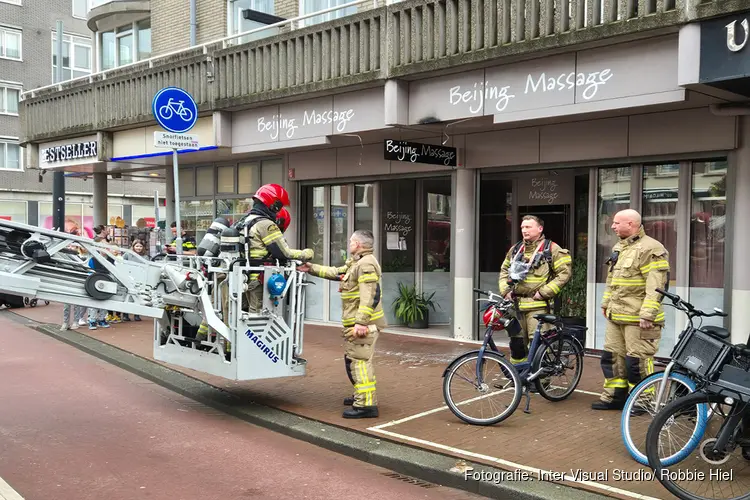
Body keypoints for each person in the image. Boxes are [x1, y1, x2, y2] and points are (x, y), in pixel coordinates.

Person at [297, 229, 384, 419]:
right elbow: (336, 273)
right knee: (354, 361)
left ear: (358, 245)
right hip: (355, 322)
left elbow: (370, 295)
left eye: (351, 241)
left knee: (360, 363)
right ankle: (361, 396)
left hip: (362, 325)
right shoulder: (357, 263)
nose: (349, 243)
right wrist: (310, 268)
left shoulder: (366, 264)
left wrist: (361, 323)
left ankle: (366, 405)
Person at [592, 208, 670, 411]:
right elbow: (612, 280)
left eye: (617, 223)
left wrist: (647, 315)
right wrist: (605, 303)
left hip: (639, 319)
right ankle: (615, 397)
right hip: (616, 315)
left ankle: (642, 402)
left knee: (638, 362)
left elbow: (656, 285)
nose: (613, 226)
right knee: (612, 359)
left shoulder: (652, 248)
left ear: (631, 224)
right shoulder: (620, 246)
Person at [497, 215, 572, 365]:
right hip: (516, 306)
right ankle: (518, 377)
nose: (524, 230)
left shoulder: (551, 248)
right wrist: (505, 290)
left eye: (528, 227)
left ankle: (541, 381)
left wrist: (544, 292)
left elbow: (564, 273)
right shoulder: (516, 249)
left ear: (540, 229)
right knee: (516, 344)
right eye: (522, 227)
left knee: (538, 345)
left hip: (538, 307)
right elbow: (504, 270)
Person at [239, 184, 314, 313]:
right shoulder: (266, 224)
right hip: (259, 280)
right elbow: (283, 252)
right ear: (274, 204)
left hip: (244, 277)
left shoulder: (245, 221)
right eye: (279, 206)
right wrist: (306, 253)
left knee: (245, 316)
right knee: (259, 317)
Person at [122, 239, 149, 322]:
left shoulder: (145, 256)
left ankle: (136, 315)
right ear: (133, 246)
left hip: (139, 278)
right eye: (137, 246)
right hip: (129, 277)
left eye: (140, 246)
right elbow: (122, 263)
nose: (139, 248)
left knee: (138, 296)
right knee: (127, 296)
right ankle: (125, 315)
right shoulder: (127, 254)